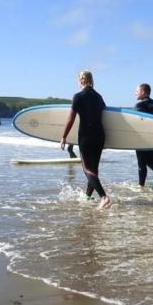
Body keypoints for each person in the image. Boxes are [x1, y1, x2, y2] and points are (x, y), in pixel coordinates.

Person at [60, 70, 111, 209]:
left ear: (81, 81)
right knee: (94, 169)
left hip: (86, 136)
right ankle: (87, 197)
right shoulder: (99, 97)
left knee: (87, 169)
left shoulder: (78, 96)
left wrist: (64, 136)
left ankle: (104, 197)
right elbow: (107, 118)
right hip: (100, 135)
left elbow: (70, 119)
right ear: (91, 80)